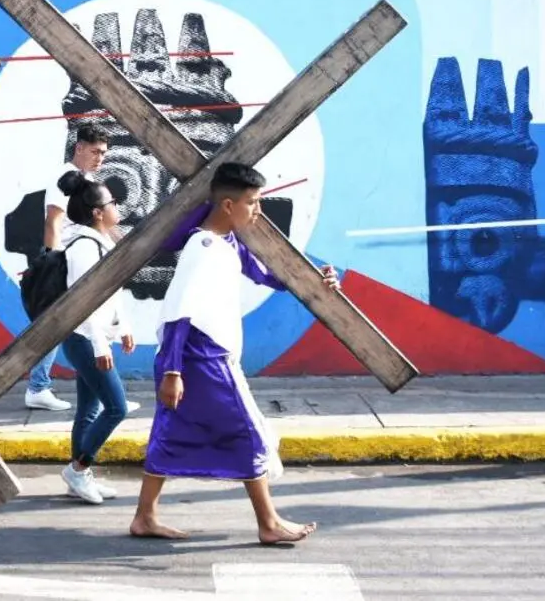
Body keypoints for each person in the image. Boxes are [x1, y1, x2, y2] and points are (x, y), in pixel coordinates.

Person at [130, 162, 338, 545]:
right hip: (201, 358)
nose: (257, 211)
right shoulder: (204, 247)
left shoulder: (228, 242)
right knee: (249, 433)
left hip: (209, 356)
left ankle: (144, 517)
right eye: (252, 203)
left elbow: (266, 276)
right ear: (228, 205)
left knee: (171, 432)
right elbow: (179, 313)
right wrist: (173, 372)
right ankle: (269, 523)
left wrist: (316, 280)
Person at [53, 170, 134, 505]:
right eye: (111, 202)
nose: (117, 206)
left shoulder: (99, 242)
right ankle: (78, 468)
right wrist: (101, 345)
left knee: (89, 409)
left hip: (92, 337)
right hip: (84, 339)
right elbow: (83, 302)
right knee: (117, 407)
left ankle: (80, 477)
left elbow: (108, 295)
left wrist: (124, 327)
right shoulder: (84, 247)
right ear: (97, 213)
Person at [27, 125, 110, 412]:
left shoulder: (86, 180)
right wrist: (53, 261)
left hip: (78, 257)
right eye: (95, 151)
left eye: (103, 153)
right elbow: (54, 220)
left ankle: (98, 394)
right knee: (56, 325)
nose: (100, 158)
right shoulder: (67, 178)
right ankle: (38, 387)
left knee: (68, 326)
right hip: (64, 259)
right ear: (79, 148)